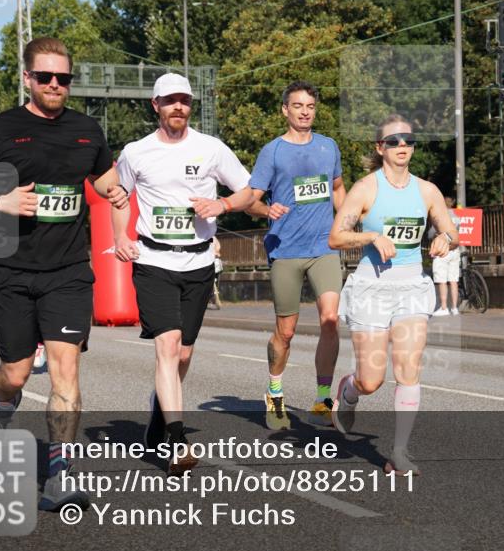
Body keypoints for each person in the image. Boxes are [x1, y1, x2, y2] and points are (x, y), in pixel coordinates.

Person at [0, 37, 128, 509]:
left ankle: (59, 471)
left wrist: (117, 193)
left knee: (66, 370)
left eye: (62, 78)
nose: (54, 85)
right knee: (17, 373)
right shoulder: (0, 130)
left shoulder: (87, 130)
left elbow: (104, 178)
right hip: (8, 270)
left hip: (67, 271)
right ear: (27, 78)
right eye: (44, 77)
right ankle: (2, 408)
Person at [112, 73, 254, 474]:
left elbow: (248, 189)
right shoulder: (136, 152)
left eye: (185, 101)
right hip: (153, 260)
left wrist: (222, 207)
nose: (179, 107)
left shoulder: (210, 148)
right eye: (170, 100)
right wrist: (121, 235)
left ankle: (159, 418)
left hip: (199, 261)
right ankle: (176, 441)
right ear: (155, 105)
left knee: (184, 353)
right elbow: (119, 197)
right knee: (169, 346)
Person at [327, 114, 458, 475]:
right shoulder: (366, 188)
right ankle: (350, 390)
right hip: (372, 287)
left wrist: (444, 238)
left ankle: (398, 453)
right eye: (394, 141)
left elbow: (451, 230)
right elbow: (336, 237)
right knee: (372, 380)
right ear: (379, 147)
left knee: (408, 370)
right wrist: (370, 237)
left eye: (409, 141)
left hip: (412, 286)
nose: (403, 146)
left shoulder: (427, 190)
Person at [247, 81, 346, 430]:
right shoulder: (272, 152)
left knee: (330, 319)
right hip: (285, 249)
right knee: (285, 332)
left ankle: (322, 398)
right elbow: (252, 198)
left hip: (323, 247)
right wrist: (265, 210)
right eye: (298, 105)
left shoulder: (328, 146)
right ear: (284, 110)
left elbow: (336, 189)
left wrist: (347, 224)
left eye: (310, 106)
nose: (305, 111)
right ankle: (275, 393)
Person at [431, 196, 462, 316]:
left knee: (442, 280)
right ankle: (454, 307)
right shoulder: (456, 216)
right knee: (454, 280)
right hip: (455, 250)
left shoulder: (440, 217)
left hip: (442, 251)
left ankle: (444, 307)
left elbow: (431, 234)